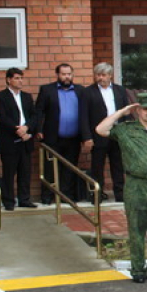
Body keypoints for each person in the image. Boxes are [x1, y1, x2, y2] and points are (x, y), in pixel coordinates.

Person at [96, 93, 147, 284]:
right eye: (145, 108)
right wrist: (121, 112)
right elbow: (101, 129)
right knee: (136, 228)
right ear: (138, 110)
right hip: (136, 185)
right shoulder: (126, 129)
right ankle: (138, 269)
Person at [80, 62, 130, 202]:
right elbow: (83, 116)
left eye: (103, 75)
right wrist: (87, 137)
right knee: (97, 166)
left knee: (118, 165)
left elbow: (126, 112)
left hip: (117, 133)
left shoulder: (120, 90)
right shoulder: (88, 92)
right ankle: (97, 195)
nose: (100, 78)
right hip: (97, 135)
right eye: (98, 75)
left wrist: (127, 132)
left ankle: (120, 194)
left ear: (110, 75)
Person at [35, 63, 85, 204]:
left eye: (69, 73)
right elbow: (39, 111)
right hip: (52, 137)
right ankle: (47, 196)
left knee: (69, 168)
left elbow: (85, 112)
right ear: (57, 75)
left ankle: (66, 196)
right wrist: (38, 129)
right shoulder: (47, 90)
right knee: (50, 168)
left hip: (74, 138)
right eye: (63, 74)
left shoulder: (80, 90)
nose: (67, 77)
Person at [0, 68, 38, 211]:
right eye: (17, 78)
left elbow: (34, 115)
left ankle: (24, 199)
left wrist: (27, 128)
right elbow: (2, 117)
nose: (20, 81)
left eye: (21, 78)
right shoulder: (0, 97)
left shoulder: (26, 96)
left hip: (25, 139)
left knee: (25, 171)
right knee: (9, 172)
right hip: (9, 140)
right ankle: (9, 201)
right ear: (8, 80)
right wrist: (17, 129)